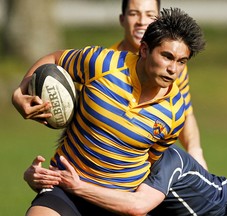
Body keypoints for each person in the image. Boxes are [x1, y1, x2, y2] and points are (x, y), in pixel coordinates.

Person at [12, 7, 206, 215]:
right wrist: (20, 91)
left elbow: (151, 163)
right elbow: (55, 59)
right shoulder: (102, 64)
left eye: (181, 62)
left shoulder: (175, 112)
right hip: (65, 187)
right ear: (144, 50)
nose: (173, 69)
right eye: (167, 57)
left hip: (117, 202)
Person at [25, 146, 227, 216]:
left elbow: (137, 206)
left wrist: (77, 186)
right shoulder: (115, 157)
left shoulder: (167, 160)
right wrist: (39, 178)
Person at [113, 0, 207, 169]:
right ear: (122, 19)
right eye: (134, 13)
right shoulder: (104, 65)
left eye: (150, 15)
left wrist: (195, 152)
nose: (142, 21)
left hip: (150, 161)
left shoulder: (172, 67)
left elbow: (185, 113)